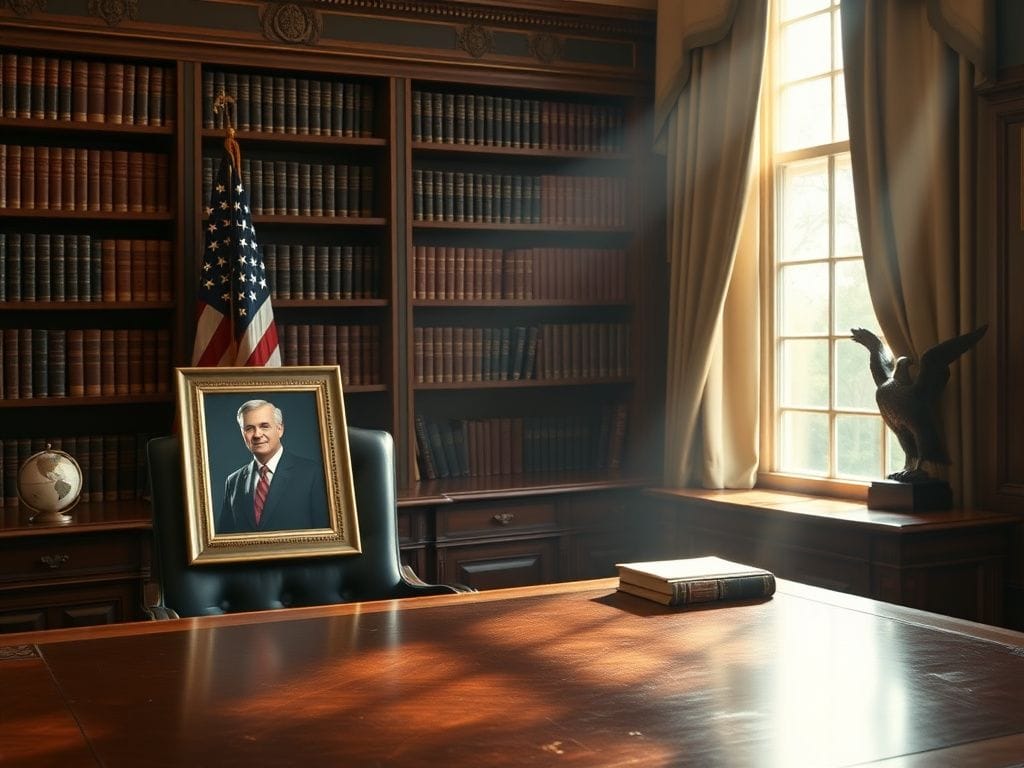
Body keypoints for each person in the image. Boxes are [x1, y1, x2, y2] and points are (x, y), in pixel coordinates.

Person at [217, 399, 329, 534]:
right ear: (242, 433)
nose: (257, 434)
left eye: (264, 426)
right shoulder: (233, 482)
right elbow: (225, 539)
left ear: (280, 429)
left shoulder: (312, 473)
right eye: (249, 428)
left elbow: (326, 536)